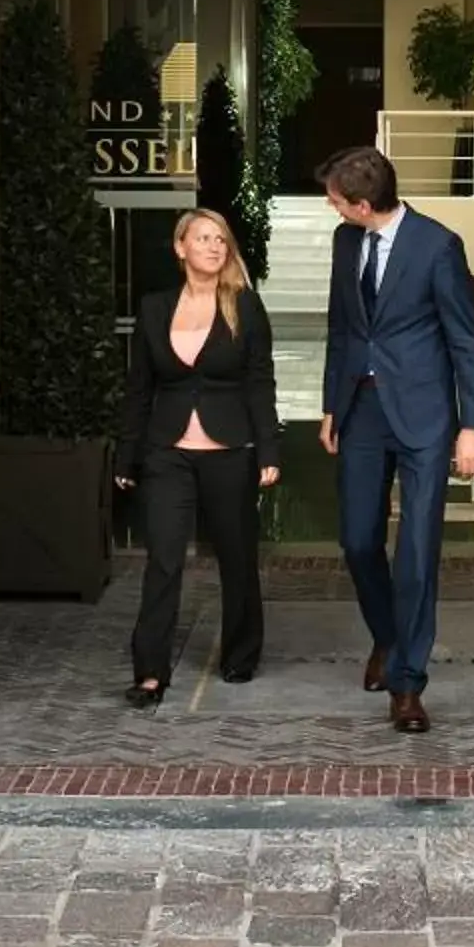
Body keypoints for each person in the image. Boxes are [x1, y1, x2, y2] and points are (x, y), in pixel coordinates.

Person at [318, 142, 474, 733]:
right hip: (361, 412)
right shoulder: (346, 241)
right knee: (358, 539)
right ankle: (387, 639)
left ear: (364, 204)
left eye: (337, 200)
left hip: (424, 417)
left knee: (416, 550)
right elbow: (341, 326)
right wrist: (329, 406)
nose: (332, 207)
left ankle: (408, 683)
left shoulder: (438, 246)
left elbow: (466, 339)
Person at [114, 207, 280, 706]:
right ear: (180, 246)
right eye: (203, 238)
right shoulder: (154, 308)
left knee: (236, 558)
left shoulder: (245, 306)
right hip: (168, 452)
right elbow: (138, 389)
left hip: (230, 451)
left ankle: (240, 653)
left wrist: (268, 449)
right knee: (163, 560)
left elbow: (259, 382)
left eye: (221, 241)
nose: (214, 247)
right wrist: (127, 456)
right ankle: (149, 671)